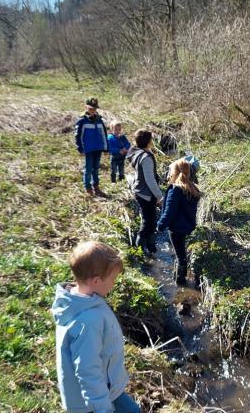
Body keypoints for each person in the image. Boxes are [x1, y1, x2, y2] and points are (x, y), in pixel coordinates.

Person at [51, 241, 140, 413]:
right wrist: (102, 408)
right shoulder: (87, 321)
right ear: (97, 281)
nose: (114, 284)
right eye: (113, 279)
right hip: (93, 401)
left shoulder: (81, 300)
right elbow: (87, 370)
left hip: (107, 388)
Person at [157, 158, 201, 286]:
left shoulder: (175, 190)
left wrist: (160, 225)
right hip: (188, 226)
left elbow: (169, 212)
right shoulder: (192, 188)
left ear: (174, 173)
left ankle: (180, 281)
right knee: (182, 252)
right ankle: (184, 276)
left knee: (180, 255)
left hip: (176, 229)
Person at [128, 129, 163, 255]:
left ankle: (151, 247)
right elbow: (150, 180)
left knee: (151, 220)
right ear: (148, 141)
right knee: (148, 222)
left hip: (140, 190)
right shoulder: (146, 158)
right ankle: (139, 249)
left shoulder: (136, 151)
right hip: (145, 193)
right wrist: (160, 196)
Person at [75, 98, 108, 197]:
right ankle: (88, 188)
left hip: (97, 148)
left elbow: (104, 134)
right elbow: (78, 136)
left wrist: (106, 148)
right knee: (88, 169)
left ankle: (96, 187)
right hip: (88, 149)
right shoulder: (82, 121)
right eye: (90, 109)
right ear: (86, 107)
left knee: (96, 168)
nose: (93, 111)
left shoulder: (99, 120)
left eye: (94, 109)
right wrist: (80, 148)